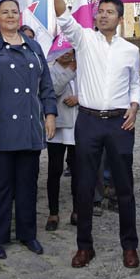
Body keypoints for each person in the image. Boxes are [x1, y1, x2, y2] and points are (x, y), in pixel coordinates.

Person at [50, 0, 140, 269]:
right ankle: (84, 247)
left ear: (119, 19)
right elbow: (64, 18)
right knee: (85, 186)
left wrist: (134, 105)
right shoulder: (84, 40)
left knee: (124, 187)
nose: (103, 15)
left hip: (119, 123)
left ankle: (129, 247)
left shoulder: (130, 50)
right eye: (100, 11)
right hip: (87, 122)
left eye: (109, 12)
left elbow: (135, 84)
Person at [0, 0, 57, 260]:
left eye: (14, 12)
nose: (10, 16)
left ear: (20, 16)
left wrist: (50, 113)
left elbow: (46, 84)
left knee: (27, 185)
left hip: (29, 127)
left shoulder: (33, 46)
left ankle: (27, 234)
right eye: (4, 12)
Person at [46, 50, 79, 231]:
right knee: (54, 170)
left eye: (69, 50)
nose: (66, 54)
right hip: (58, 126)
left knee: (77, 170)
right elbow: (54, 90)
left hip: (77, 126)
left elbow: (91, 91)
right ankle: (53, 212)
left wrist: (78, 98)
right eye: (62, 50)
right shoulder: (51, 70)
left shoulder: (83, 68)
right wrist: (69, 71)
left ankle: (77, 210)